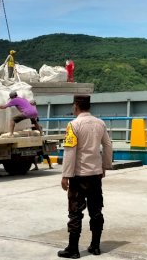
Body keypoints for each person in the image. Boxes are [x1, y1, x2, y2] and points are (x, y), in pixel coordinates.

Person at [58, 95, 113, 259]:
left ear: (76, 106)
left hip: (79, 175)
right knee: (96, 211)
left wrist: (65, 175)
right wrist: (105, 166)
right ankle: (95, 246)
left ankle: (73, 249)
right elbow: (108, 145)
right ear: (89, 106)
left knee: (75, 211)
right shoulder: (100, 123)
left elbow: (70, 151)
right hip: (95, 174)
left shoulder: (73, 125)